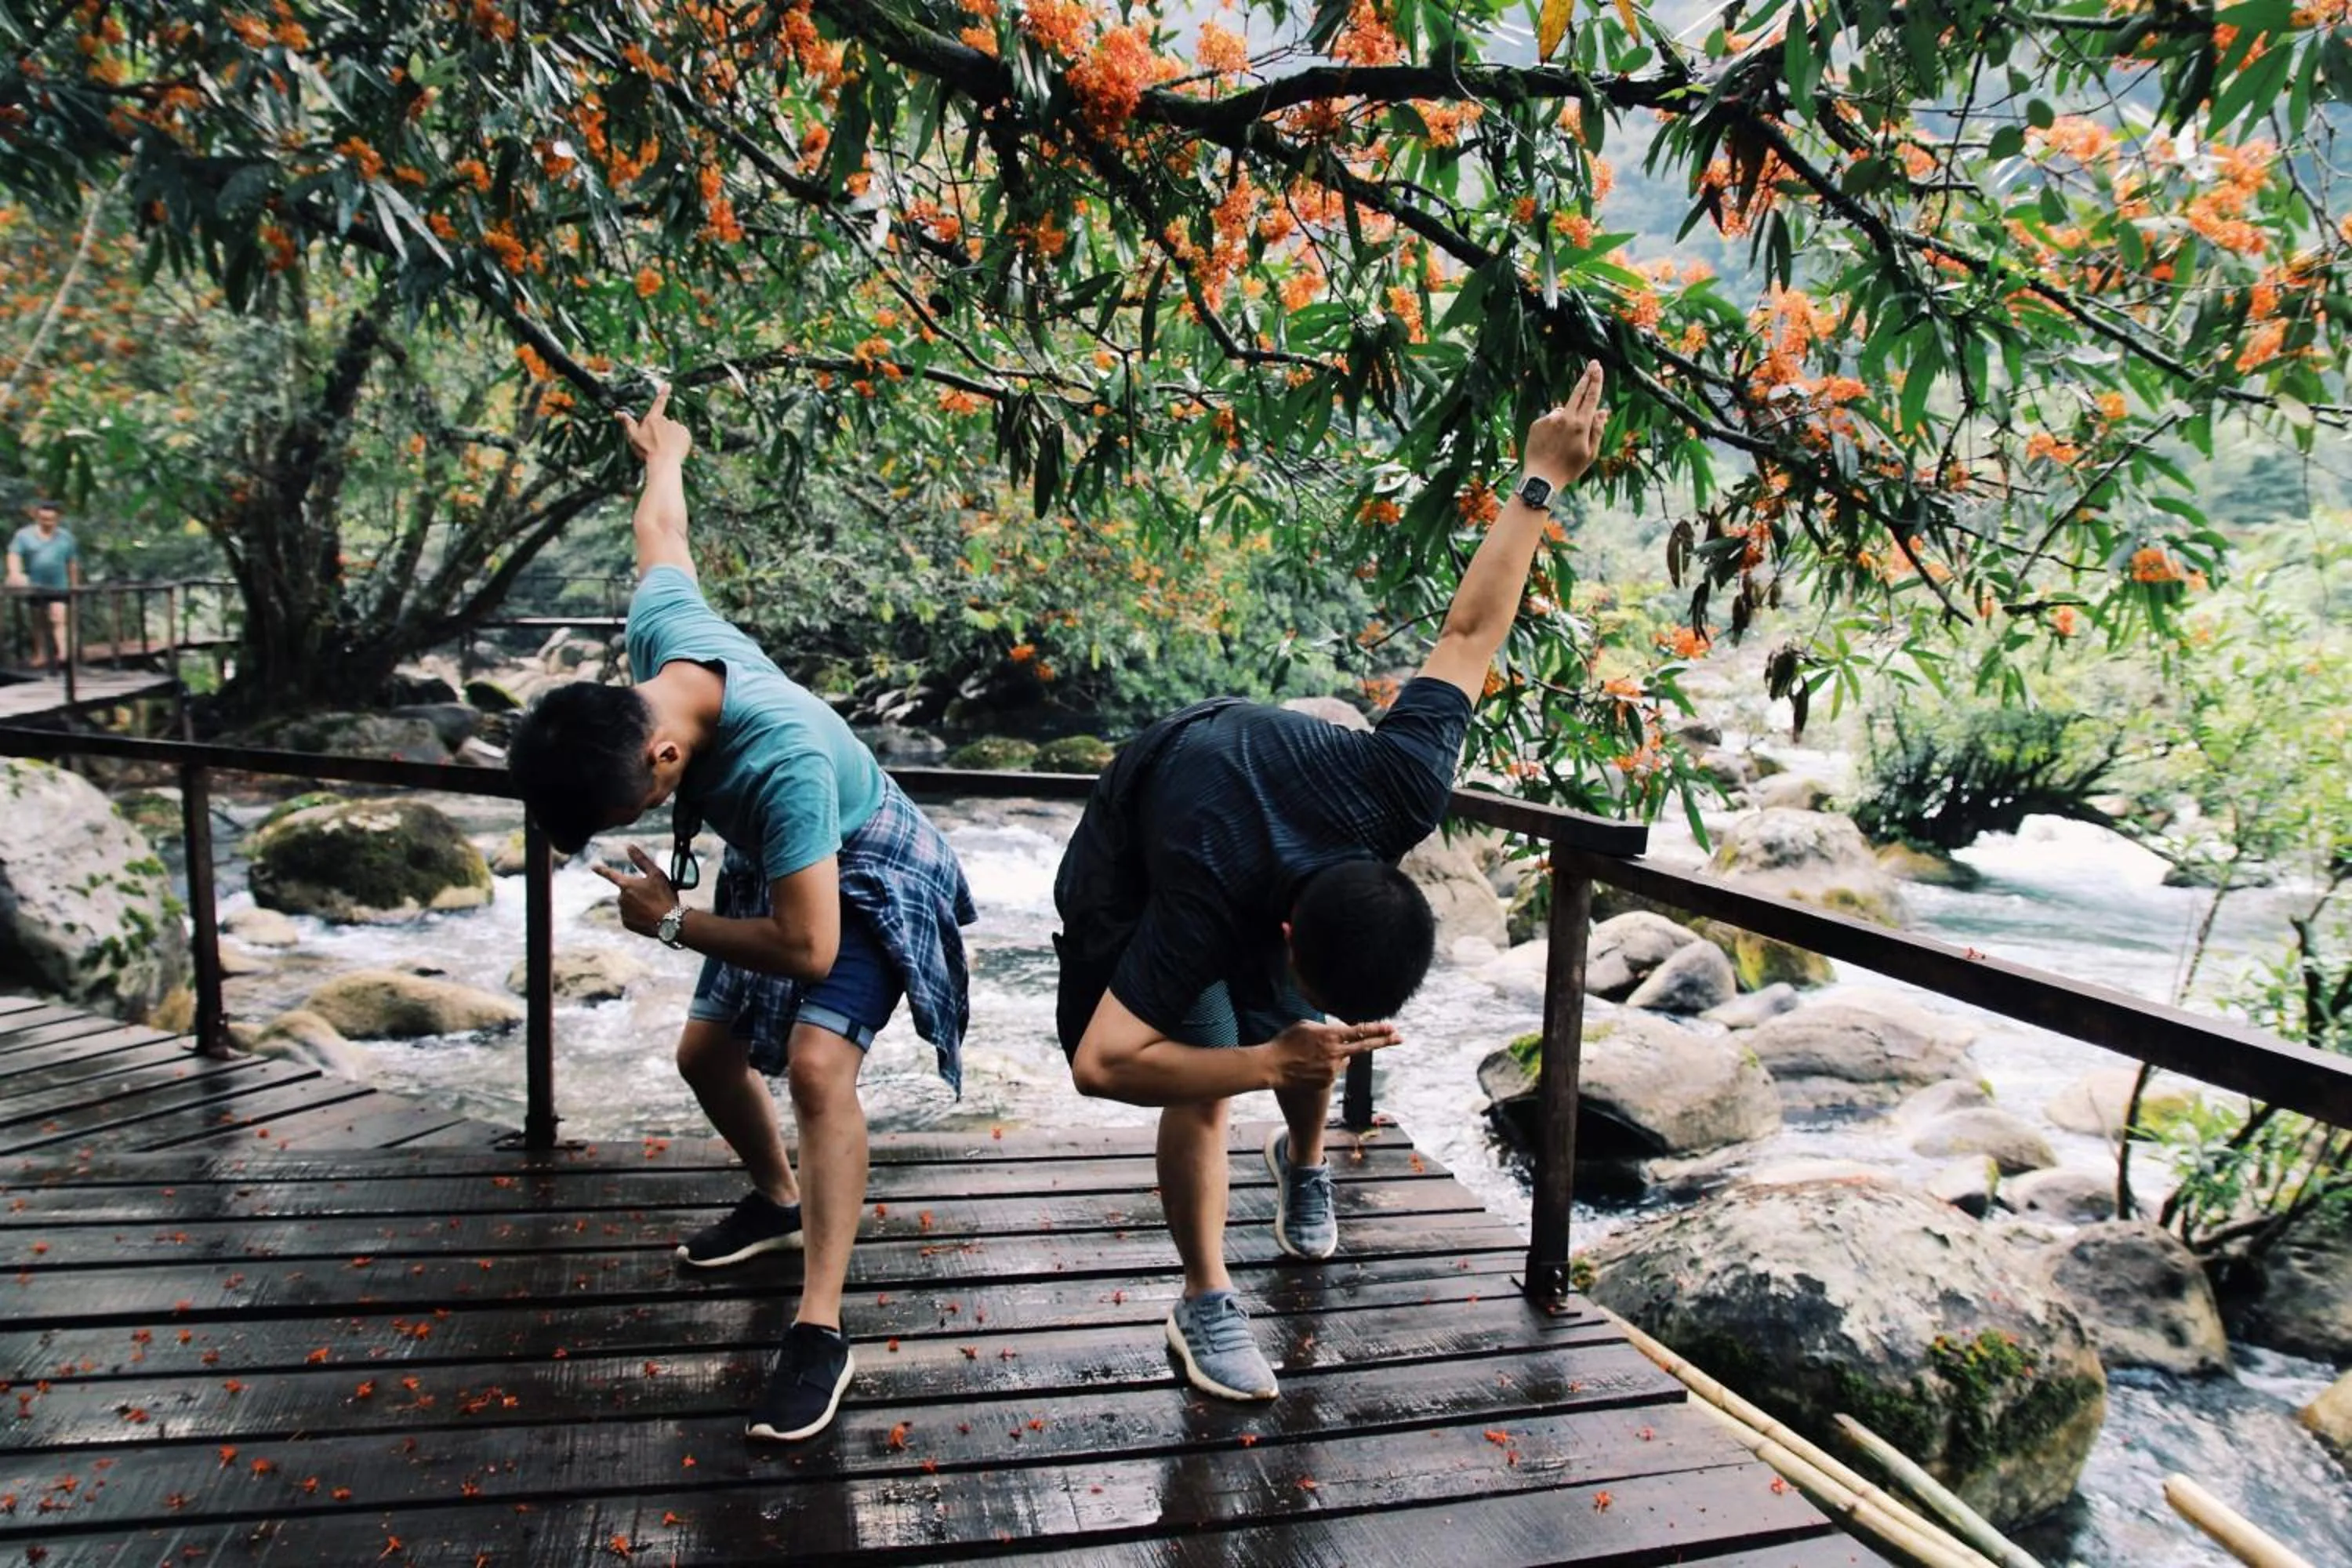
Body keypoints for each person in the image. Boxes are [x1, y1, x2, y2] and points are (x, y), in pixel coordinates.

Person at [1052, 365, 1608, 1402]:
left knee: (1297, 1046)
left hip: (1263, 789)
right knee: (1210, 1065)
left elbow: (1470, 634)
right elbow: (1104, 1064)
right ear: (1287, 941)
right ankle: (1203, 1298)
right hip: (1145, 833)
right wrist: (1264, 1058)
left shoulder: (1399, 790)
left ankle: (1302, 1168)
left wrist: (1539, 481)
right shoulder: (1204, 906)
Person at [506, 387, 976, 1443]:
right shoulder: (660, 645)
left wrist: (668, 925)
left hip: (864, 871)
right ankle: (776, 1202)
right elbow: (660, 533)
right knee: (705, 1056)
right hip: (782, 866)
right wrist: (663, 450)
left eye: (635, 802)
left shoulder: (780, 762)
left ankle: (818, 1327)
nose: (643, 810)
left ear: (662, 758)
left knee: (816, 1067)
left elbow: (811, 944)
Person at [6, 499, 80, 672]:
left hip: (59, 585)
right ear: (38, 517)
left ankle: (63, 655)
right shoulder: (24, 535)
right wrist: (15, 573)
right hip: (36, 586)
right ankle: (41, 654)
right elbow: (14, 555)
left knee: (58, 618)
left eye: (51, 520)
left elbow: (72, 563)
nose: (47, 523)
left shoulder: (66, 538)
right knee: (38, 622)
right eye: (43, 519)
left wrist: (75, 585)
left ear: (58, 519)